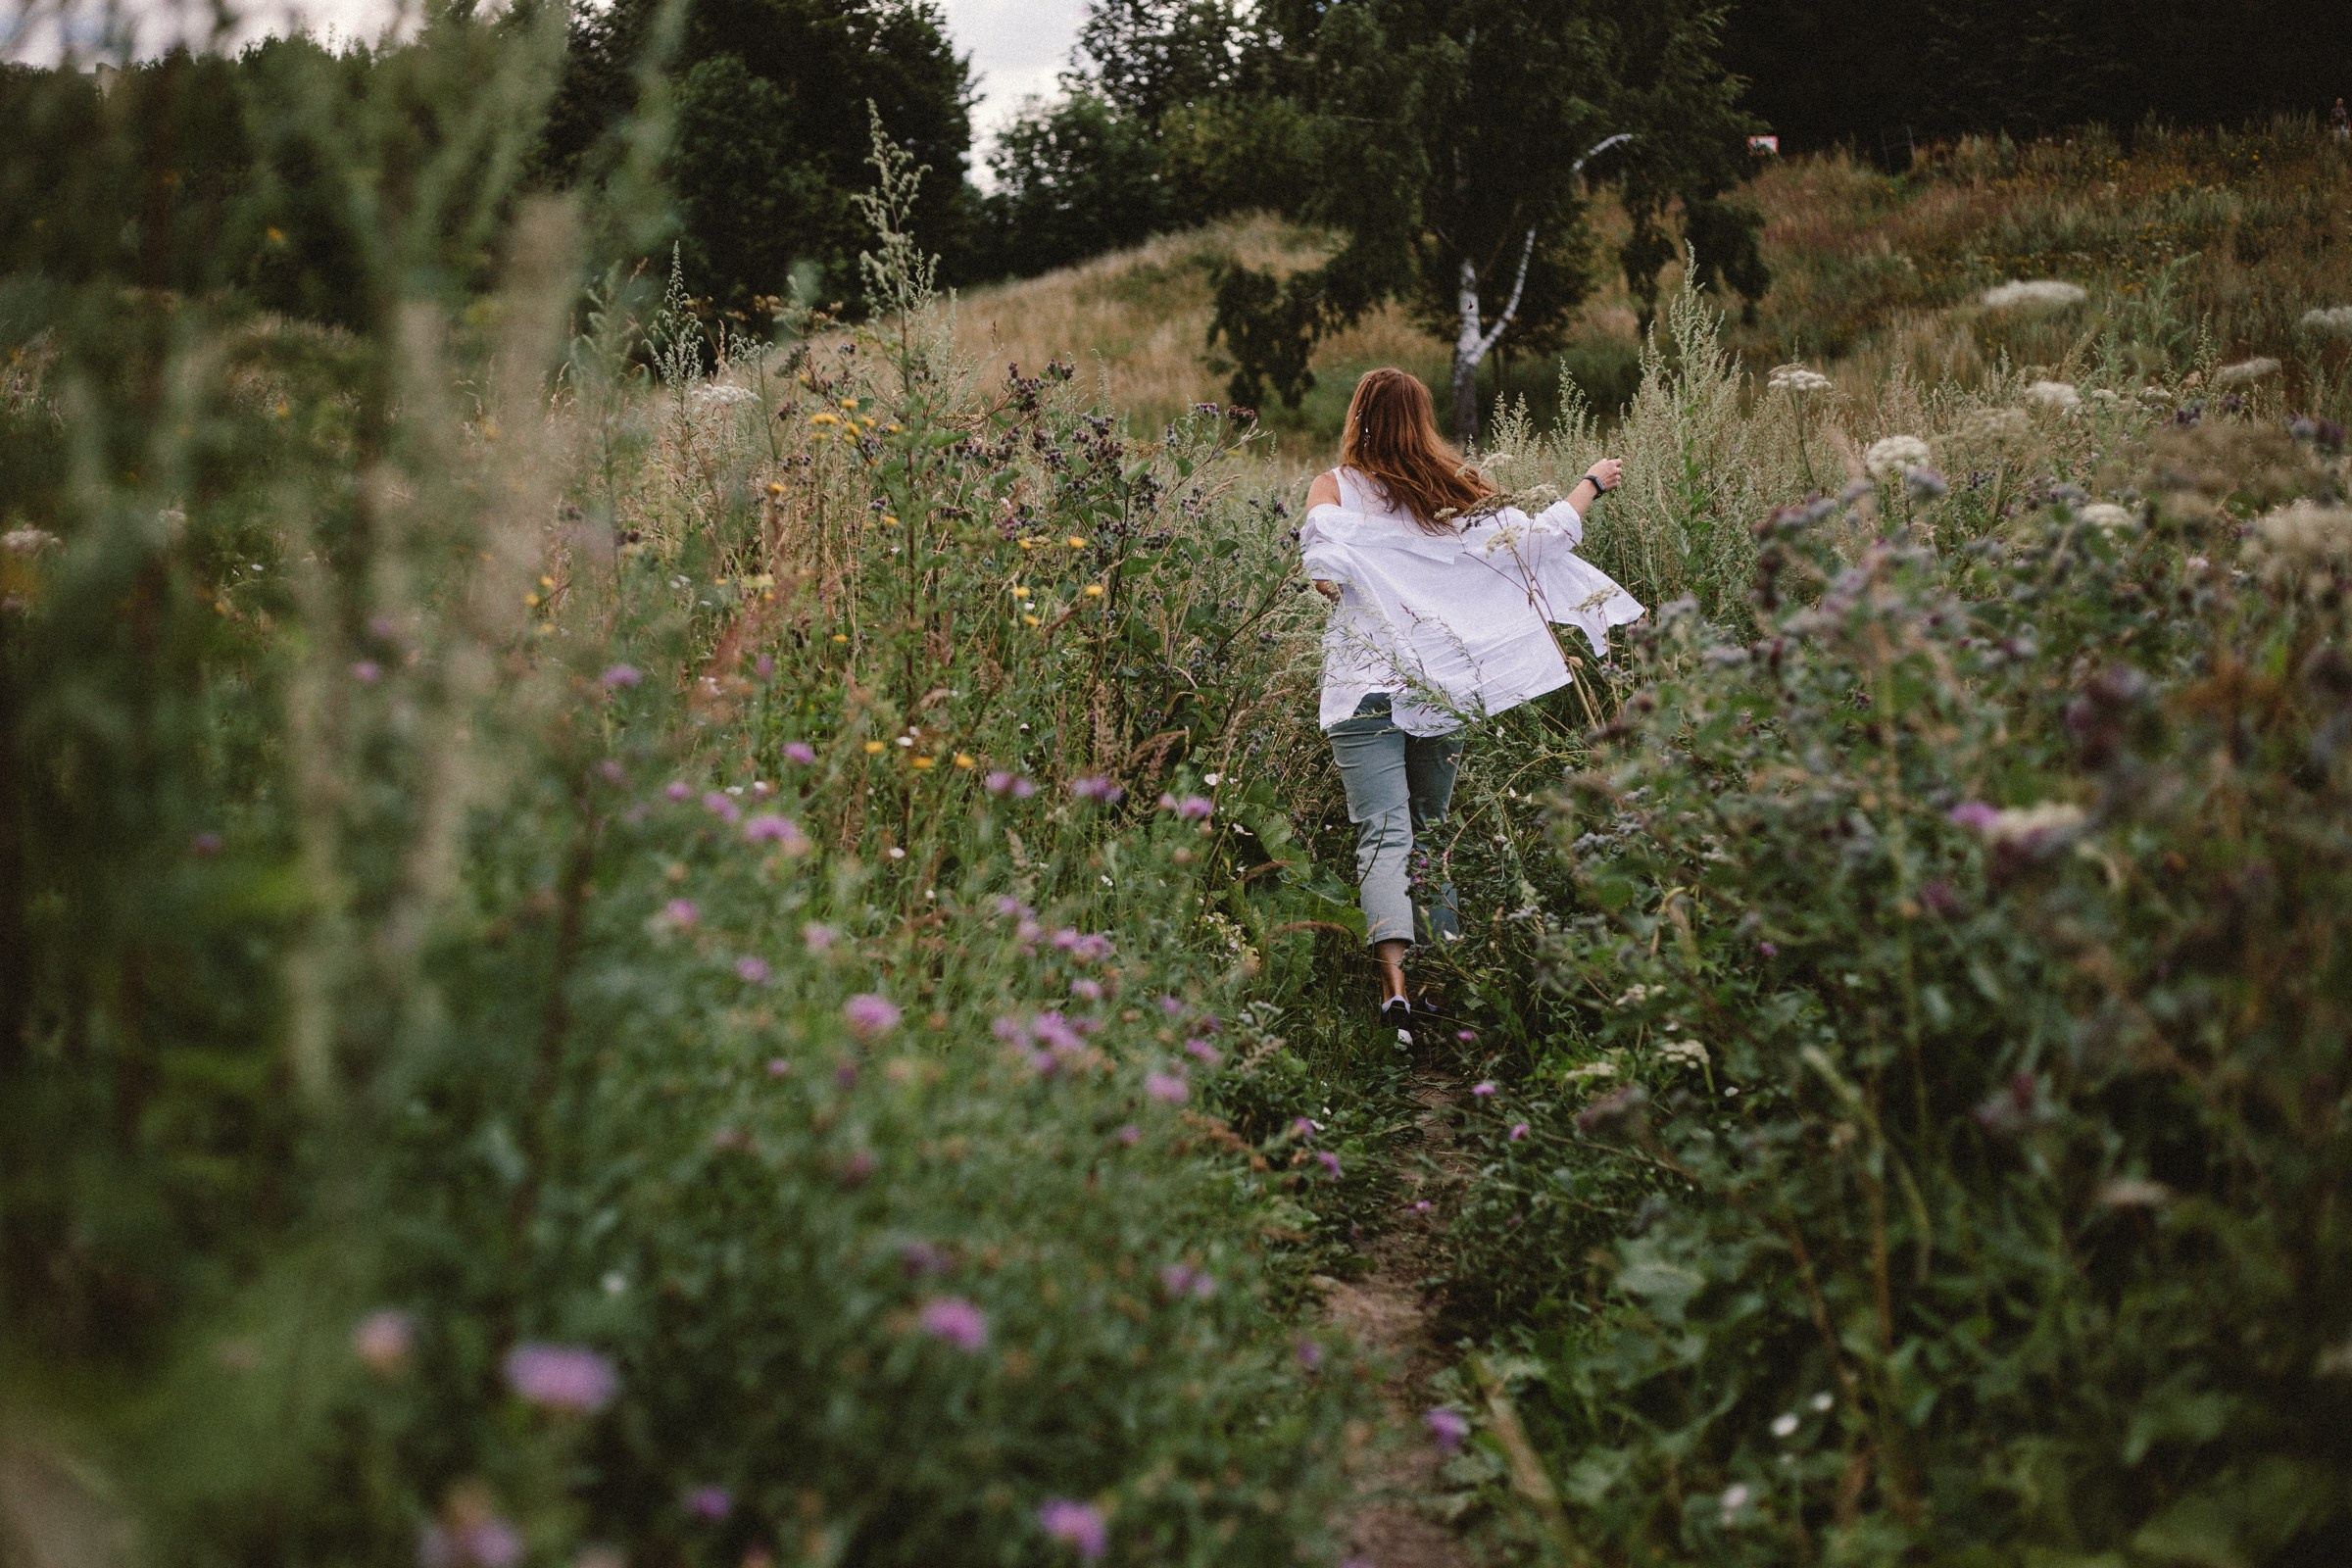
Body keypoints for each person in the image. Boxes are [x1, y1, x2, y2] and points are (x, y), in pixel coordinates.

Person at [1300, 368, 1644, 1029]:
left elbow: (1324, 572)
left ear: (1357, 416)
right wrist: (1589, 485)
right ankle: (1444, 980)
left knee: (1384, 834)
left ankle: (1394, 991)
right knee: (1431, 833)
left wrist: (1370, 578)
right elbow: (1536, 543)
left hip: (1364, 688)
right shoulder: (1453, 490)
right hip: (1440, 692)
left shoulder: (1332, 488)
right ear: (1422, 418)